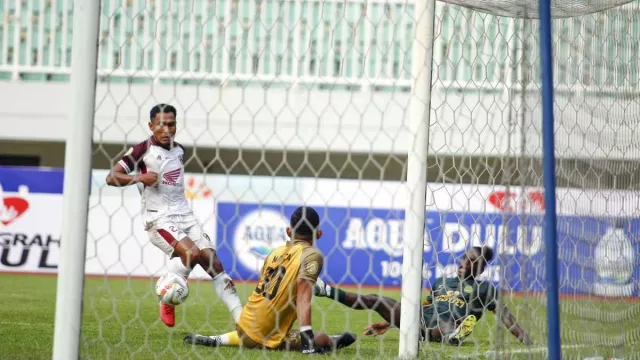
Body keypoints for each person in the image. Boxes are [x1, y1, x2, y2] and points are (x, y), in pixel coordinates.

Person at [106, 104, 242, 327]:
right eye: (162, 125)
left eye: (172, 124)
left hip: (186, 216)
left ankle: (241, 319)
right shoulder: (142, 150)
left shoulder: (180, 150)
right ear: (151, 126)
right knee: (192, 253)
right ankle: (166, 294)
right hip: (159, 219)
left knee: (215, 264)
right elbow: (112, 177)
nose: (167, 129)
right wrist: (139, 179)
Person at [183, 206, 356, 354]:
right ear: (319, 234)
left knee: (254, 329)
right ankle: (331, 341)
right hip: (267, 335)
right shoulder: (312, 255)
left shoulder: (274, 254)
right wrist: (307, 339)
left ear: (288, 231)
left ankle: (217, 340)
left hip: (244, 324)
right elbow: (303, 295)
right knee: (323, 339)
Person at [313, 246, 532, 346]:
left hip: (444, 326)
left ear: (481, 269)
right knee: (375, 299)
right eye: (463, 258)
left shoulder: (486, 289)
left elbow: (506, 317)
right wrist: (391, 323)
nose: (464, 263)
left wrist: (525, 338)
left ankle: (454, 333)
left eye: (471, 260)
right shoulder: (441, 282)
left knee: (449, 321)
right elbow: (424, 307)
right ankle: (326, 290)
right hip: (420, 324)